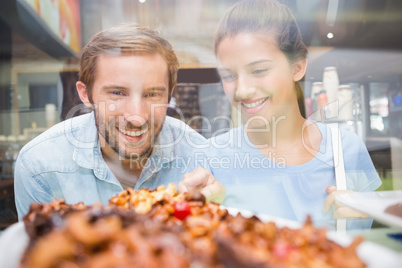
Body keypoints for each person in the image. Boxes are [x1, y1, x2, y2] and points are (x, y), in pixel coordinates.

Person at [14, 24, 224, 220]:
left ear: (169, 96)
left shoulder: (200, 157)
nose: (137, 117)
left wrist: (214, 209)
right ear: (85, 94)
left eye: (152, 94)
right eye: (117, 93)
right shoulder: (39, 166)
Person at [209, 0, 381, 228]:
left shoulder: (347, 150)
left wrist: (363, 220)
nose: (242, 90)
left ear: (298, 67)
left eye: (259, 70)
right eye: (229, 75)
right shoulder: (211, 158)